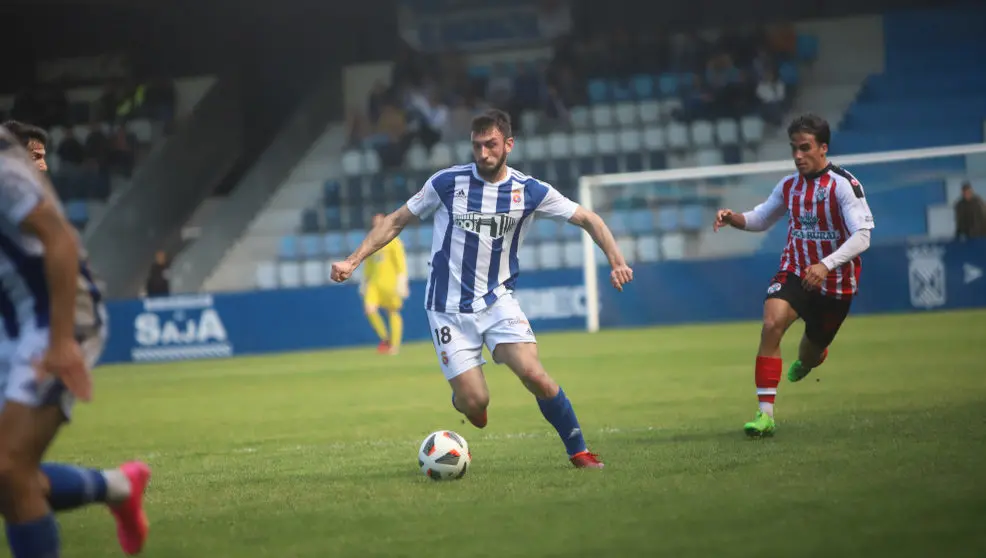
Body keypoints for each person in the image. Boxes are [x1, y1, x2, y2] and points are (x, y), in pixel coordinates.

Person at [330, 109, 633, 468]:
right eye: (477, 146)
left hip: (497, 302)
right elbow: (396, 221)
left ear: (508, 145)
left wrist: (616, 260)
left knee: (534, 374)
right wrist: (353, 260)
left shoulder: (529, 191)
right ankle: (464, 399)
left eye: (491, 145)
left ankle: (578, 451)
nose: (483, 153)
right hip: (447, 309)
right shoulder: (446, 183)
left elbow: (588, 218)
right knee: (476, 404)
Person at [0, 123, 151, 556]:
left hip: (57, 312)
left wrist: (62, 343)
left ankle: (118, 486)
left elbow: (60, 240)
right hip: (9, 319)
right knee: (9, 476)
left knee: (9, 468)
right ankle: (117, 485)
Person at [712, 113, 876, 438]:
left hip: (835, 283)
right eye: (794, 149)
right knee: (772, 323)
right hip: (795, 272)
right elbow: (761, 218)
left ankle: (814, 357)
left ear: (823, 148)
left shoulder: (844, 185)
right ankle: (765, 415)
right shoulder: (788, 186)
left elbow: (863, 237)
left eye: (805, 148)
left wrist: (826, 264)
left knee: (809, 355)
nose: (798, 156)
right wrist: (734, 218)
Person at [360, 213, 409, 354]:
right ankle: (386, 338)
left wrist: (402, 280)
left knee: (392, 311)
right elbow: (368, 264)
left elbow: (400, 262)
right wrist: (365, 281)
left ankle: (395, 346)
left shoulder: (394, 241)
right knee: (369, 309)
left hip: (390, 282)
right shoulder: (371, 242)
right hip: (374, 283)